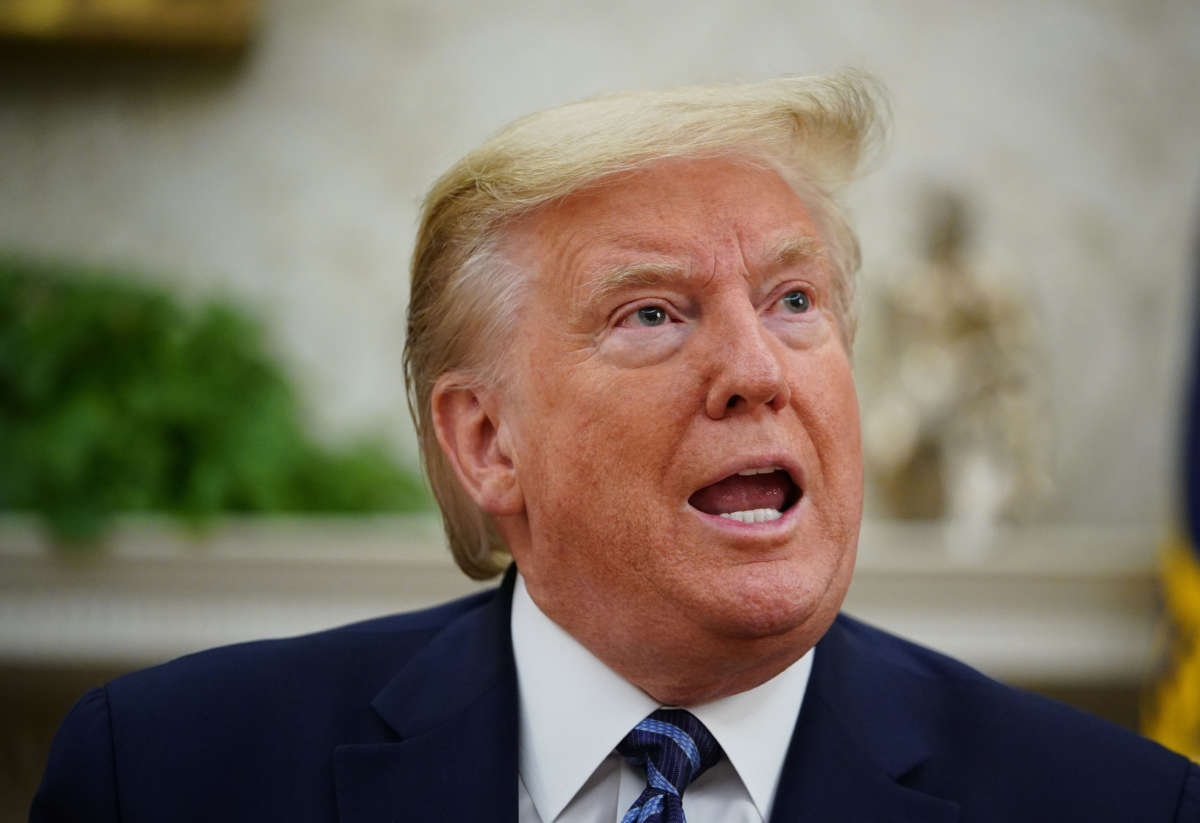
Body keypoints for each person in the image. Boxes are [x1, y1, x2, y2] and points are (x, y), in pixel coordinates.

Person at [31, 75, 1199, 822]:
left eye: (795, 299)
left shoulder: (1118, 804)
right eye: (653, 313)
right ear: (488, 441)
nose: (759, 369)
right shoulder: (174, 776)